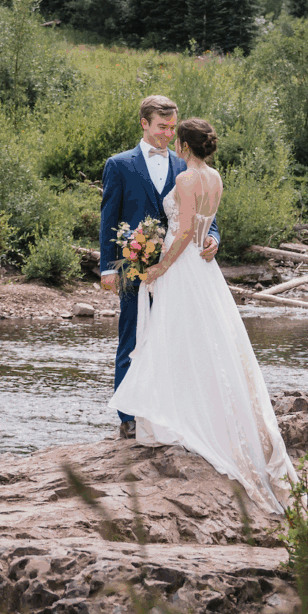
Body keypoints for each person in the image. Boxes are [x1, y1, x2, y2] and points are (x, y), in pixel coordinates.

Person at [109, 117, 294, 515]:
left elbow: (181, 234)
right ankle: (191, 410)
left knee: (175, 337)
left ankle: (182, 418)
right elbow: (201, 226)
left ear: (183, 144)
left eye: (175, 137)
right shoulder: (216, 178)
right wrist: (202, 241)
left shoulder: (186, 180)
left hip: (184, 268)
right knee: (206, 340)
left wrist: (159, 268)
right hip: (206, 271)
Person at [97, 95, 213, 438]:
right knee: (133, 337)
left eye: (172, 127)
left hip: (178, 270)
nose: (167, 134)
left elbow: (203, 211)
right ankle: (128, 416)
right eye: (161, 127)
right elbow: (109, 220)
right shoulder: (118, 164)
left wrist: (213, 237)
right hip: (135, 267)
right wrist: (107, 268)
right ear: (144, 124)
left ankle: (169, 412)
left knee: (175, 338)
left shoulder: (185, 164)